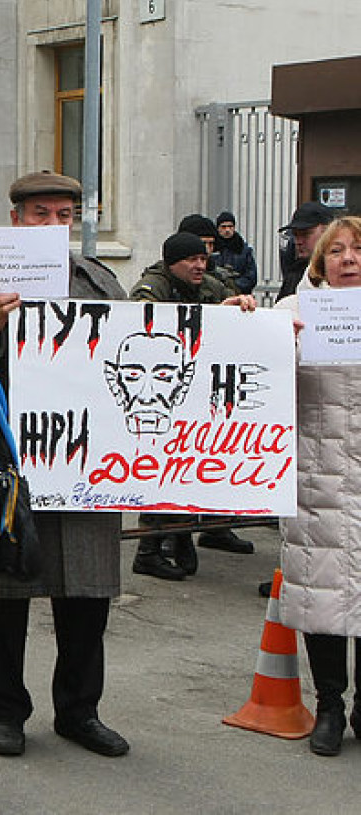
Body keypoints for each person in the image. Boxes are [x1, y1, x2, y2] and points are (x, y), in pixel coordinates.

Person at [0, 170, 129, 760]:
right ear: (16, 220)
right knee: (9, 590)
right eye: (40, 214)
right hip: (16, 459)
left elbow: (143, 338)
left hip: (90, 462)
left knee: (87, 594)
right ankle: (6, 713)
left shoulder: (99, 283)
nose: (53, 226)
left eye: (63, 215)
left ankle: (79, 710)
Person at [276, 216, 361, 756]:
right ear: (319, 262)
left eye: (358, 249)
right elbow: (249, 372)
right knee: (322, 594)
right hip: (317, 473)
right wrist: (265, 336)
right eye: (337, 250)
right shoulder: (294, 313)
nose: (349, 258)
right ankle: (329, 704)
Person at [128, 231, 257, 580]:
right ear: (173, 263)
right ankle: (148, 550)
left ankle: (181, 534)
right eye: (192, 260)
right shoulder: (151, 288)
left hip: (198, 393)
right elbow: (145, 332)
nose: (200, 265)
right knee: (157, 472)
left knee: (187, 472)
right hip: (159, 396)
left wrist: (240, 309)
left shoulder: (212, 287)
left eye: (203, 259)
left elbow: (236, 321)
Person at [277, 201, 334, 302]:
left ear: (327, 232)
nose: (298, 242)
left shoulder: (342, 269)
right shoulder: (294, 272)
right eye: (295, 235)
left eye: (305, 234)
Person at [212, 211, 258, 294]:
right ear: (218, 228)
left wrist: (234, 285)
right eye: (223, 227)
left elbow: (251, 277)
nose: (227, 230)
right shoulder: (212, 248)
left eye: (230, 226)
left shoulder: (244, 250)